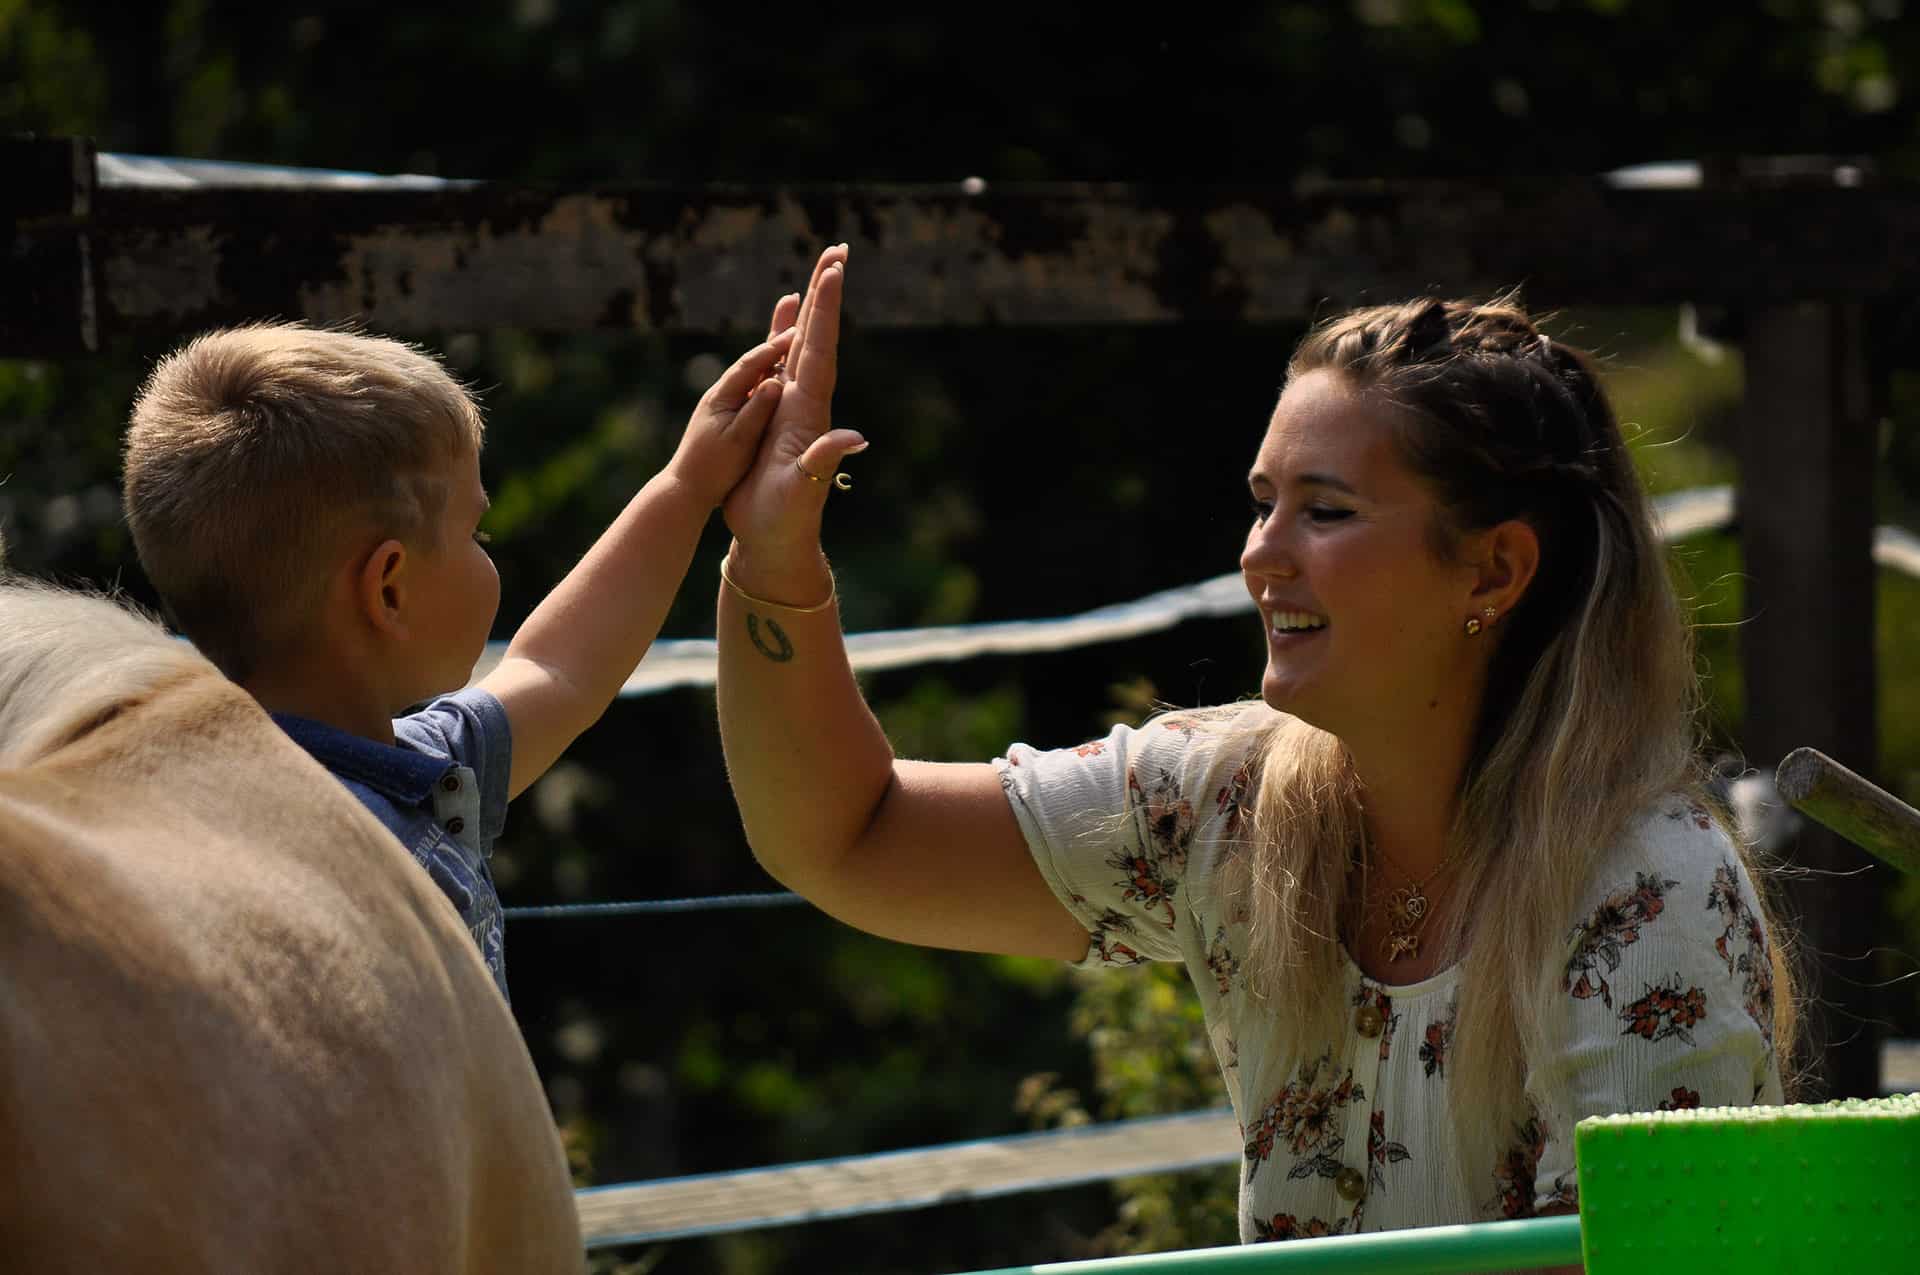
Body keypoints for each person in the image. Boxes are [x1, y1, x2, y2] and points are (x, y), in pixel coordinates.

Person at [714, 246, 1795, 1243]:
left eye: (1323, 513)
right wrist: (771, 562)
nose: (1259, 558)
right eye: (1263, 504)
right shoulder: (1223, 802)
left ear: (1493, 572)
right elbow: (842, 836)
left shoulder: (1651, 892)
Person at [121, 285, 810, 1001]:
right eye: (474, 533)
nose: (489, 554)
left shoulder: (400, 771)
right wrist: (689, 485)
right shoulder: (359, 867)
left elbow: (559, 666)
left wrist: (690, 483)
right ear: (389, 588)